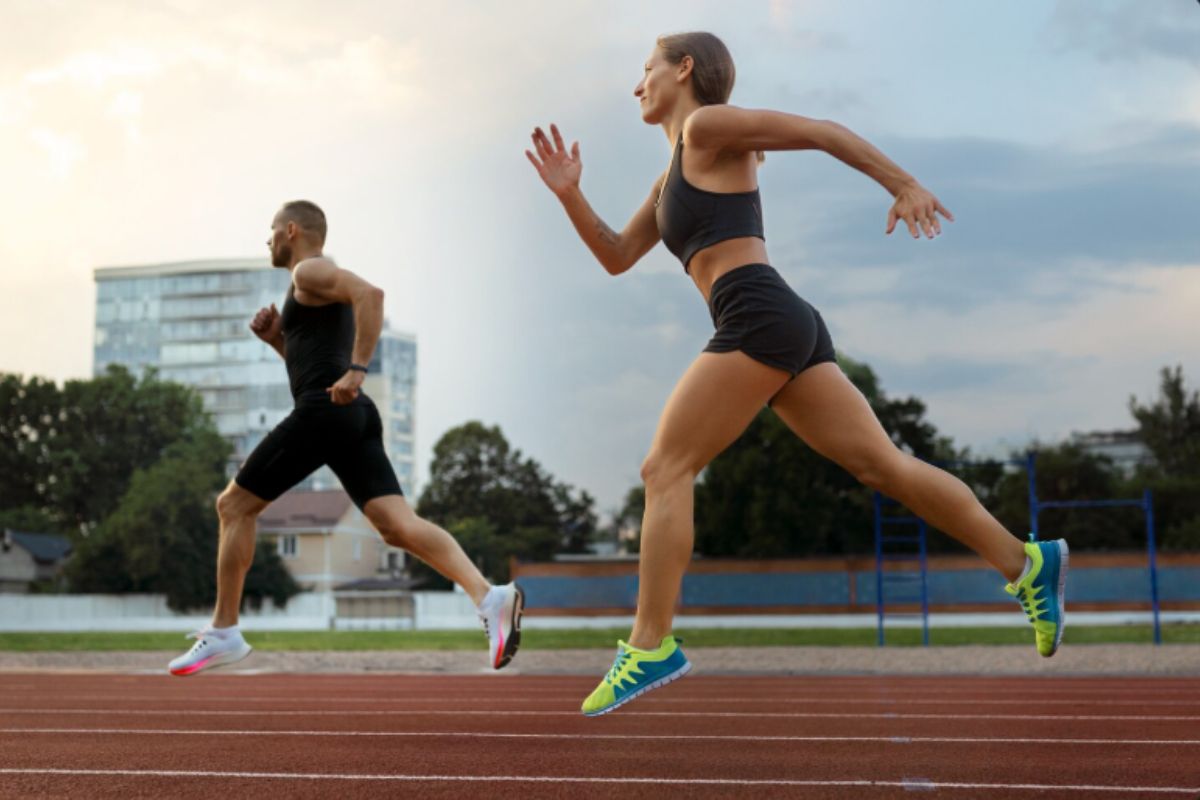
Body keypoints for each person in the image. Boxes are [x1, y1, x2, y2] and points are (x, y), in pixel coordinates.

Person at [526, 32, 1067, 717]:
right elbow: (615, 254)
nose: (638, 85)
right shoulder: (671, 176)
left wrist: (903, 184)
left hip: (757, 313)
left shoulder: (707, 126)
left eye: (647, 69)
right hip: (778, 318)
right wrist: (570, 195)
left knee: (665, 469)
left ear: (684, 69)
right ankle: (1026, 563)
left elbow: (820, 131)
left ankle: (650, 645)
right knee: (883, 467)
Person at [168, 200, 523, 676]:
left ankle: (223, 632)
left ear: (291, 230)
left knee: (233, 506)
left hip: (324, 411)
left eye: (271, 230)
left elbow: (371, 295)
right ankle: (490, 596)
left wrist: (358, 370)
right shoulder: (309, 287)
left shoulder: (310, 270)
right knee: (396, 526)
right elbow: (315, 362)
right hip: (350, 415)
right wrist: (278, 340)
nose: (267, 240)